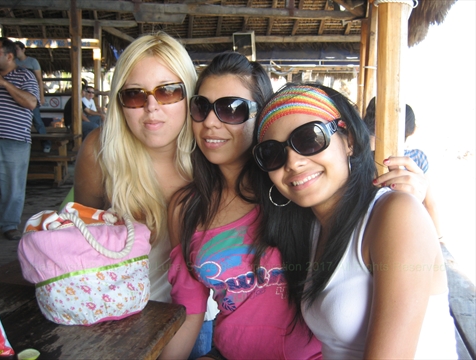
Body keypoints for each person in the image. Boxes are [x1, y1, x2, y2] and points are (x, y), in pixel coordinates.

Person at [253, 82, 457, 359]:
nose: (293, 162)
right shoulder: (311, 229)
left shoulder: (395, 213)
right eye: (273, 153)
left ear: (348, 140)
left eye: (309, 139)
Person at [160, 52, 322, 359]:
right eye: (201, 107)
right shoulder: (186, 208)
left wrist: (407, 190)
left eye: (231, 110)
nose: (209, 122)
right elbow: (190, 309)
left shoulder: (296, 189)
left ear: (262, 116)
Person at [73, 32, 217, 358]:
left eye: (168, 92)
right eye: (136, 96)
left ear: (189, 95)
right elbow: (79, 244)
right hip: (116, 318)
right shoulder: (99, 151)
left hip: (197, 318)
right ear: (120, 102)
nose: (152, 107)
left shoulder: (211, 153)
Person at [364, 97, 442, 240]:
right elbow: (431, 204)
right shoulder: (417, 159)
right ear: (411, 130)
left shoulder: (351, 157)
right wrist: (439, 238)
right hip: (407, 234)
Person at [0, 37, 39, 240]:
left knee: (12, 186)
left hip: (14, 139)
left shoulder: (25, 76)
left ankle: (9, 224)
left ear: (9, 56)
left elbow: (31, 103)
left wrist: (4, 83)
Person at [14, 40, 51, 153]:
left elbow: (39, 80)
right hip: (16, 96)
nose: (16, 52)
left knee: (37, 121)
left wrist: (41, 96)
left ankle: (46, 144)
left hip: (31, 95)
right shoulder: (13, 62)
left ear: (23, 49)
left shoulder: (32, 61)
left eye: (17, 49)